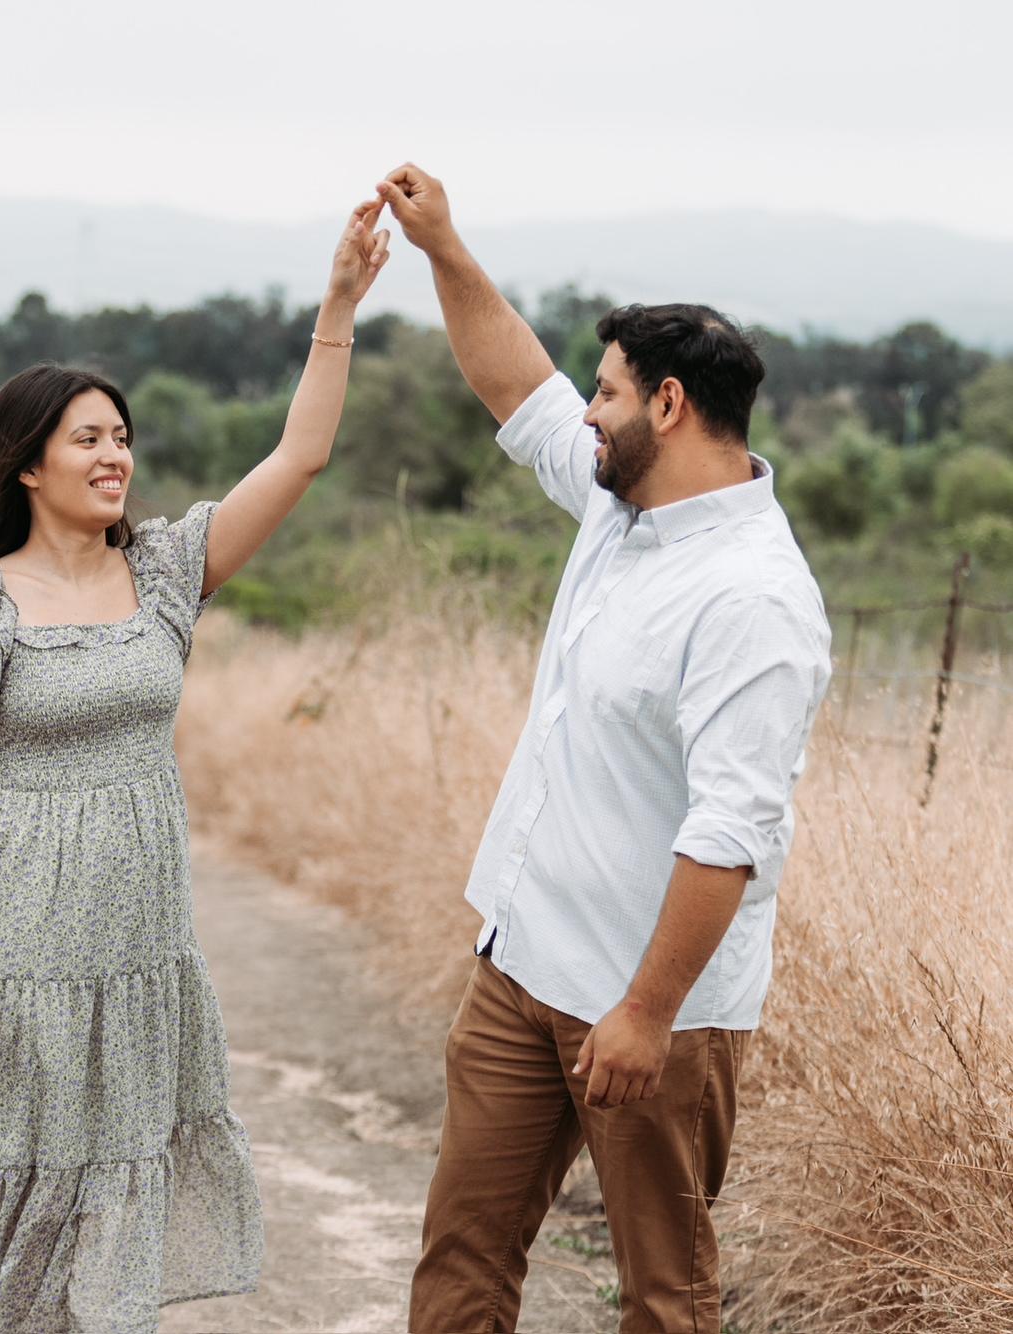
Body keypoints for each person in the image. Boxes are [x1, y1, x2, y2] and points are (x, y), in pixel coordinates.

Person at [0, 199, 390, 1333]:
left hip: (140, 950)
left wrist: (335, 307)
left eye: (121, 436)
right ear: (28, 464)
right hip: (22, 947)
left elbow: (301, 454)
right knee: (26, 1209)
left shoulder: (167, 571)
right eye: (87, 437)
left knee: (110, 1220)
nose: (114, 455)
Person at [374, 163, 832, 1333]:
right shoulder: (615, 506)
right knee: (461, 1256)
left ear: (666, 405)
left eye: (606, 390)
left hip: (651, 1012)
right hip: (521, 960)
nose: (585, 409)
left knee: (662, 1298)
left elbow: (730, 828)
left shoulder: (752, 599)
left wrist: (644, 1010)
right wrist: (444, 247)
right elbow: (512, 384)